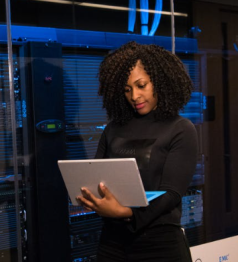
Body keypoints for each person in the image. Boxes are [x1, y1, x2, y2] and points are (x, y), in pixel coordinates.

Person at [76, 41, 198, 262]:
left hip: (160, 245)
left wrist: (126, 213)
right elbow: (96, 177)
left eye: (141, 85)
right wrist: (91, 197)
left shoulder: (180, 128)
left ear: (160, 82)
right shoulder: (113, 128)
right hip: (112, 243)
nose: (134, 96)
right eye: (127, 89)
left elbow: (171, 194)